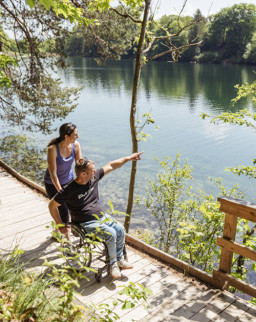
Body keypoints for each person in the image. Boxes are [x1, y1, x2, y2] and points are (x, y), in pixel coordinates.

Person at [48, 151, 144, 279]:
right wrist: (60, 224)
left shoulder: (93, 177)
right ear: (83, 174)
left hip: (101, 218)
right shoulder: (69, 189)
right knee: (111, 233)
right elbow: (52, 205)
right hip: (85, 223)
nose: (95, 172)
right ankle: (113, 264)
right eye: (92, 170)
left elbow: (112, 165)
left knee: (120, 229)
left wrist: (129, 158)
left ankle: (119, 258)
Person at [44, 122, 82, 224]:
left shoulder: (76, 145)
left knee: (74, 205)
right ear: (66, 136)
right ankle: (67, 237)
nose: (77, 136)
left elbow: (79, 166)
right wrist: (61, 192)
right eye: (75, 135)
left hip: (68, 181)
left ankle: (62, 231)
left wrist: (86, 172)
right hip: (52, 183)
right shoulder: (53, 149)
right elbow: (53, 173)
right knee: (63, 208)